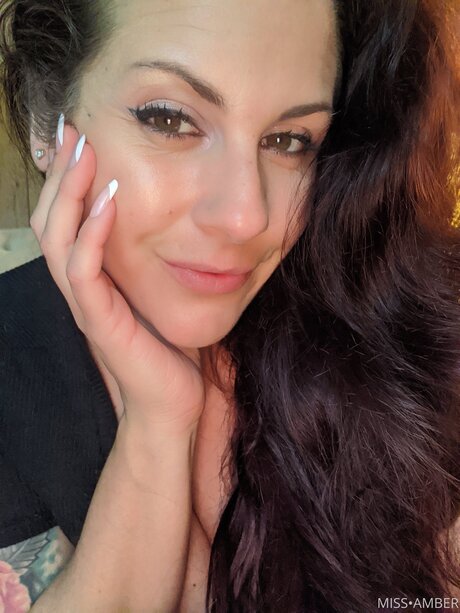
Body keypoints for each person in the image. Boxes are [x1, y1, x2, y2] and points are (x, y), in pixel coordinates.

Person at [0, 0, 459, 610]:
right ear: (45, 119)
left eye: (289, 140)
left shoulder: (397, 328)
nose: (247, 216)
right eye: (169, 120)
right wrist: (159, 423)